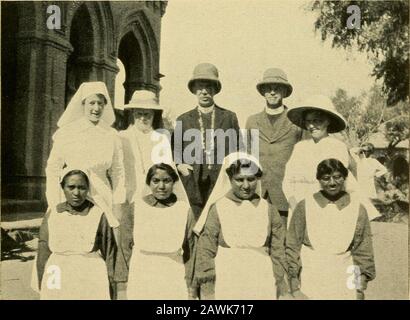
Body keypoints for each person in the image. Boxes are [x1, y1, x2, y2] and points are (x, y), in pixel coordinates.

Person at [173, 63, 242, 298]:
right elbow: (174, 154)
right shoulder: (183, 119)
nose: (204, 92)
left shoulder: (228, 117)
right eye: (200, 87)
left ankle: (213, 289)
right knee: (193, 234)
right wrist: (179, 164)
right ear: (194, 90)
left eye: (208, 87)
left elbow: (238, 153)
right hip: (192, 187)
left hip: (219, 187)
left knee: (215, 234)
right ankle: (192, 288)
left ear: (215, 90)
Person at [193, 152, 289, 300]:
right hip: (227, 277)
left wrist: (280, 282)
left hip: (262, 278)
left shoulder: (268, 209)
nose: (246, 186)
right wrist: (208, 287)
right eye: (239, 179)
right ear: (230, 179)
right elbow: (206, 249)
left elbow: (278, 250)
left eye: (251, 179)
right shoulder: (219, 208)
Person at [286, 159, 376, 300]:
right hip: (311, 277)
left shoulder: (357, 208)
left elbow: (363, 250)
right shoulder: (305, 206)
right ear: (319, 180)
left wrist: (359, 288)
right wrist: (294, 285)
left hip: (344, 277)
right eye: (326, 178)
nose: (332, 183)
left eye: (338, 177)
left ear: (345, 178)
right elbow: (292, 245)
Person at [283, 94, 380, 221]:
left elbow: (346, 181)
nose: (312, 126)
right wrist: (296, 207)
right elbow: (287, 181)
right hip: (299, 208)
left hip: (327, 210)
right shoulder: (299, 148)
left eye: (317, 120)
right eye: (308, 121)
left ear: (327, 121)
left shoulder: (337, 147)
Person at [45, 82, 126, 231]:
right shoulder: (67, 132)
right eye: (92, 103)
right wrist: (54, 201)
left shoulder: (111, 134)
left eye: (100, 103)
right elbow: (53, 169)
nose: (96, 108)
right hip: (70, 194)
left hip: (102, 194)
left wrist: (118, 203)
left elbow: (118, 171)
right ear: (83, 105)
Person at [114, 89, 174, 287]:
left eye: (148, 114)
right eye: (139, 113)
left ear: (154, 115)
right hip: (128, 198)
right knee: (127, 242)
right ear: (132, 114)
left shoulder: (161, 138)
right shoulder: (121, 137)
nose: (143, 117)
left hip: (154, 200)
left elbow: (168, 169)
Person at [33, 169, 116, 300]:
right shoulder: (53, 214)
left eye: (82, 188)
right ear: (62, 188)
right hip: (58, 272)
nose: (76, 193)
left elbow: (110, 253)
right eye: (71, 187)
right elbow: (43, 250)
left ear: (88, 189)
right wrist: (42, 281)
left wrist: (112, 286)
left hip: (90, 274)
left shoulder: (98, 214)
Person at [246, 68, 305, 228]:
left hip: (285, 193)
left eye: (277, 88)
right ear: (263, 92)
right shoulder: (252, 121)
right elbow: (248, 157)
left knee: (284, 243)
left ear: (285, 91)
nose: (272, 92)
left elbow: (304, 158)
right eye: (268, 88)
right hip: (258, 192)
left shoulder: (296, 121)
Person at [126, 163, 193, 299]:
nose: (161, 186)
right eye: (156, 181)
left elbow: (191, 248)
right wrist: (122, 283)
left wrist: (191, 283)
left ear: (174, 183)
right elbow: (124, 248)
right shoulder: (136, 208)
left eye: (167, 181)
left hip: (173, 273)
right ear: (148, 183)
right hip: (141, 273)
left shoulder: (184, 210)